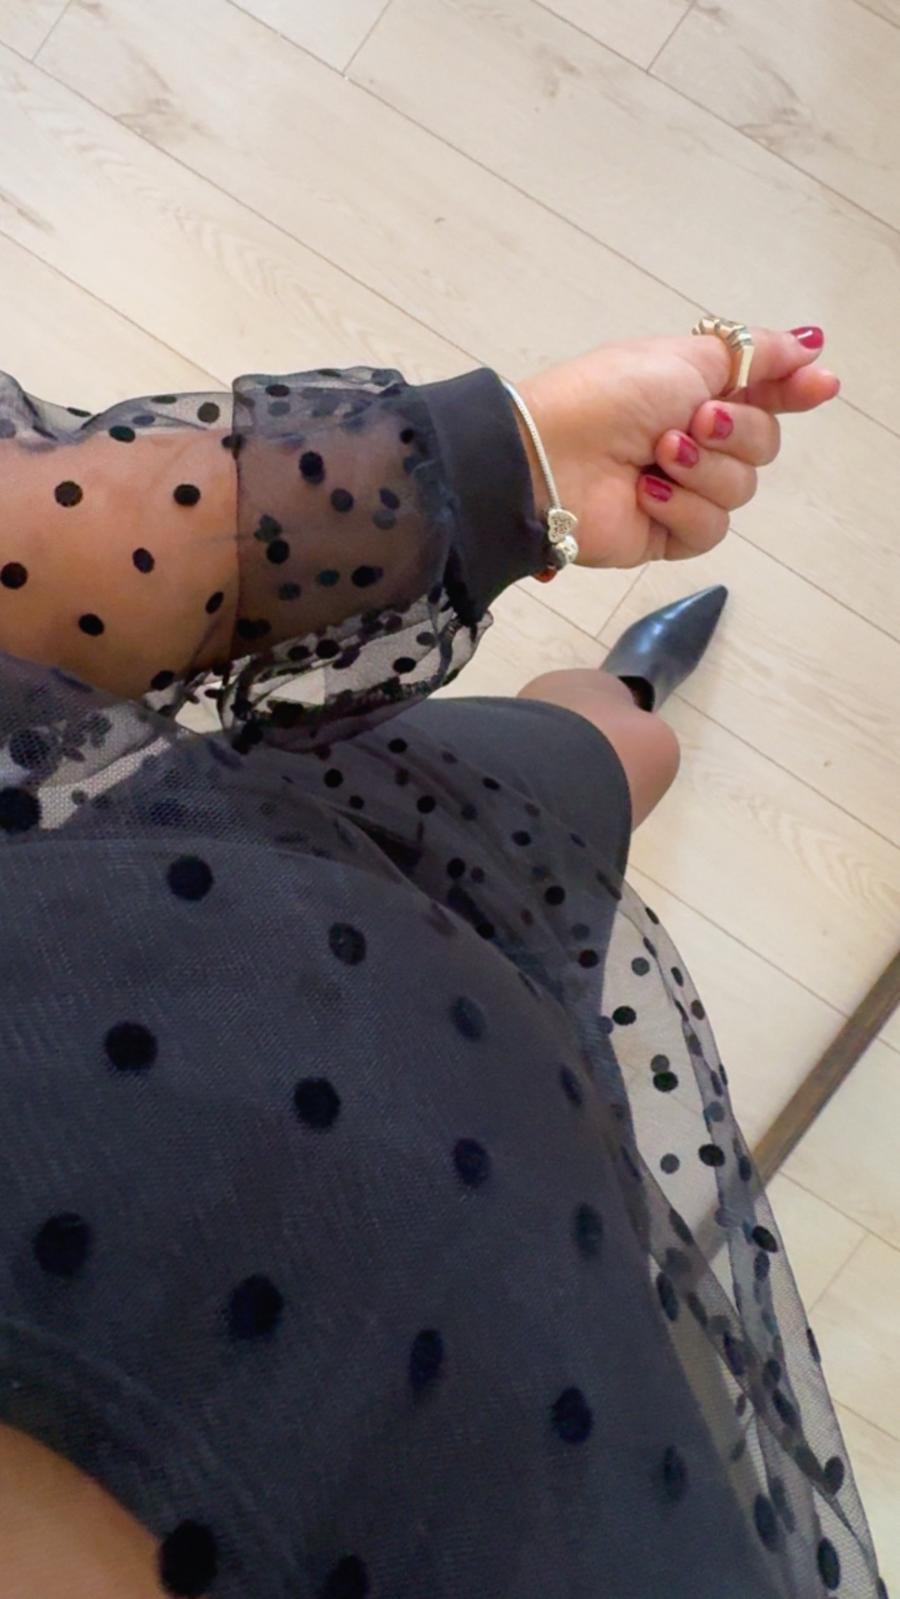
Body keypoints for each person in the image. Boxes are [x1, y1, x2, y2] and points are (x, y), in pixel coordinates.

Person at [0, 322, 888, 1599]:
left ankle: (613, 699)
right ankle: (624, 705)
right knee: (601, 767)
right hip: (489, 1331)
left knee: (582, 754)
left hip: (214, 919)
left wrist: (495, 469)